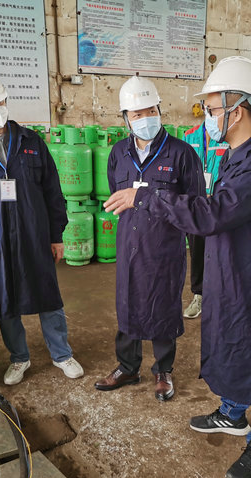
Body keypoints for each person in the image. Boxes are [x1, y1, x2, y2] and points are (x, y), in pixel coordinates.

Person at [105, 56, 251, 478]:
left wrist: (145, 196)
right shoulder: (237, 154)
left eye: (210, 108)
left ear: (236, 109)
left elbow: (210, 214)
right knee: (230, 342)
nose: (206, 116)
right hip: (235, 268)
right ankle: (231, 414)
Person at [0, 66, 83, 386]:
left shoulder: (31, 141)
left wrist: (56, 236)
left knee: (48, 296)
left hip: (34, 235)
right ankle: (19, 358)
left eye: (1, 101)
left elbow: (53, 192)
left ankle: (62, 354)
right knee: (6, 301)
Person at [94, 76, 205, 401]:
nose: (145, 119)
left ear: (160, 109)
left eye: (150, 110)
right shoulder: (118, 153)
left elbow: (196, 206)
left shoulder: (182, 155)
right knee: (127, 303)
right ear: (126, 118)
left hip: (165, 248)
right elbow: (117, 192)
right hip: (128, 245)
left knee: (163, 305)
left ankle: (163, 370)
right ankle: (127, 366)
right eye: (137, 114)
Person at [181, 122, 228, 319]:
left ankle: (222, 298)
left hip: (221, 205)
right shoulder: (189, 136)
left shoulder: (227, 136)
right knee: (198, 252)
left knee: (223, 251)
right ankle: (199, 295)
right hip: (196, 205)